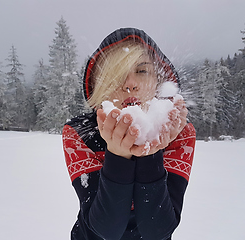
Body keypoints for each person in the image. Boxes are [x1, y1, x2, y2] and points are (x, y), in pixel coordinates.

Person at [62, 28, 196, 240]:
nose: (130, 84)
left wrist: (151, 153)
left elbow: (158, 229)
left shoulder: (179, 134)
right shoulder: (80, 134)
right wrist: (117, 155)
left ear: (158, 82)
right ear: (99, 85)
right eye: (116, 75)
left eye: (142, 71)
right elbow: (106, 229)